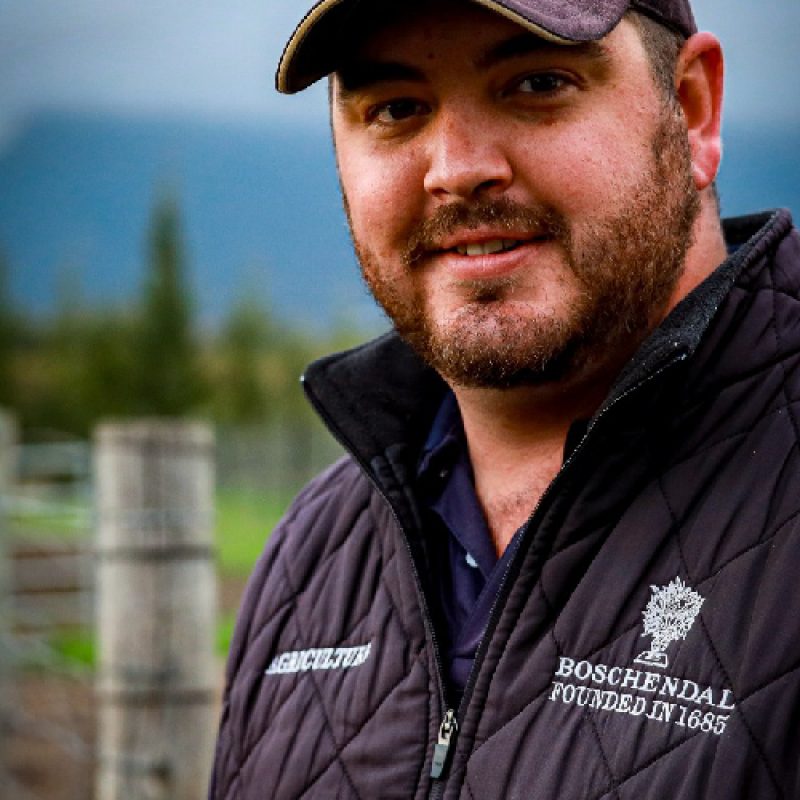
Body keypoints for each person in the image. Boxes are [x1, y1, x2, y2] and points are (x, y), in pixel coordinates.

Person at [209, 0, 800, 797]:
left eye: (536, 83)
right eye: (396, 108)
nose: (455, 168)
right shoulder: (310, 558)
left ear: (691, 107)